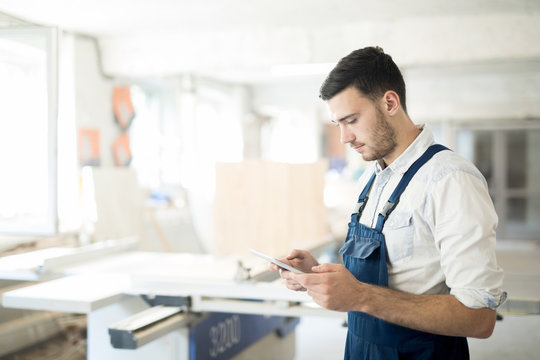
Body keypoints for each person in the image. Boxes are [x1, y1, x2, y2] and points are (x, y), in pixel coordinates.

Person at [270, 46, 505, 359]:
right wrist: (316, 275)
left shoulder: (450, 179)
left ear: (390, 102)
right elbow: (385, 276)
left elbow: (479, 317)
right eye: (338, 123)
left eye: (351, 120)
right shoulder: (375, 176)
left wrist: (362, 297)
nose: (344, 138)